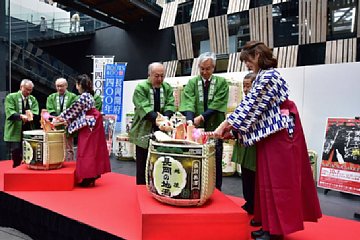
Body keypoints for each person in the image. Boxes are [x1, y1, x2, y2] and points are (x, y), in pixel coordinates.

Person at [214, 41, 322, 239]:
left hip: (279, 133)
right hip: (271, 132)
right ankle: (269, 224)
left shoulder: (269, 76)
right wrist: (233, 129)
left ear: (256, 55)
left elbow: (250, 106)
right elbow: (253, 107)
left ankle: (277, 229)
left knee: (279, 181)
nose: (247, 65)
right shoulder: (264, 76)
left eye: (247, 61)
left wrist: (226, 125)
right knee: (266, 180)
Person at [179, 52, 229, 190]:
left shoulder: (221, 82)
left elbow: (218, 103)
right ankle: (197, 189)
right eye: (202, 68)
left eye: (208, 69)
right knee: (195, 160)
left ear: (213, 68)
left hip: (215, 127)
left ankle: (216, 189)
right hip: (196, 130)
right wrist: (190, 121)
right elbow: (188, 100)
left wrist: (201, 117)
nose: (204, 72)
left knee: (215, 160)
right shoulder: (192, 82)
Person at [55, 74, 111, 187]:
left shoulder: (84, 96)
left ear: (80, 85)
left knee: (87, 150)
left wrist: (60, 118)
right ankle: (93, 173)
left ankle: (89, 176)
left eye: (77, 84)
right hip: (93, 121)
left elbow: (73, 110)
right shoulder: (89, 95)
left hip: (90, 124)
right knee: (93, 149)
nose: (76, 86)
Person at [129, 62, 175, 185]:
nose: (160, 79)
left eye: (162, 76)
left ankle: (158, 187)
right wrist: (160, 121)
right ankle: (141, 188)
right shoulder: (141, 87)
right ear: (149, 75)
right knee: (143, 162)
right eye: (156, 76)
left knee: (161, 161)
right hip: (144, 128)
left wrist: (166, 118)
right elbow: (143, 107)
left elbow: (170, 103)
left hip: (162, 129)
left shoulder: (167, 87)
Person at [231, 72, 257, 215]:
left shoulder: (259, 104)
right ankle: (249, 202)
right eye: (244, 86)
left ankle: (255, 204)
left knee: (253, 177)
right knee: (245, 174)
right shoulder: (243, 102)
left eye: (249, 86)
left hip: (254, 147)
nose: (246, 90)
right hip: (243, 145)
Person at [4, 79, 39, 167]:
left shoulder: (32, 99)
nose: (28, 92)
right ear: (21, 87)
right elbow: (10, 111)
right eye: (26, 89)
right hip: (15, 128)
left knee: (29, 151)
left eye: (30, 90)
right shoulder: (11, 97)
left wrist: (31, 115)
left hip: (28, 129)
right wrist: (21, 116)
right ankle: (16, 168)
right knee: (16, 151)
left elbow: (36, 111)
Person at [46, 77, 77, 161]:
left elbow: (74, 110)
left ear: (66, 86)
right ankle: (57, 162)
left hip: (68, 125)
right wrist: (58, 118)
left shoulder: (73, 96)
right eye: (57, 86)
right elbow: (50, 109)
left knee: (69, 148)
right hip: (56, 126)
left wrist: (64, 118)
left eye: (61, 86)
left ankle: (70, 164)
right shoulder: (51, 97)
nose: (59, 88)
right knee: (56, 147)